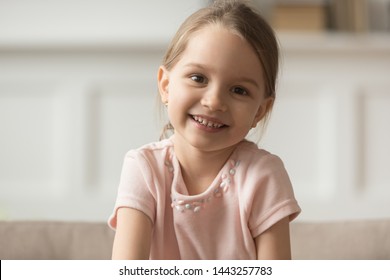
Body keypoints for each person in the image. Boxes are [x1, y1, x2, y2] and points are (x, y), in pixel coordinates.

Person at [108, 0, 301, 260]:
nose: (214, 102)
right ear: (166, 85)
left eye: (239, 90)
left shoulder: (264, 175)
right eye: (198, 78)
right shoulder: (143, 168)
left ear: (260, 111)